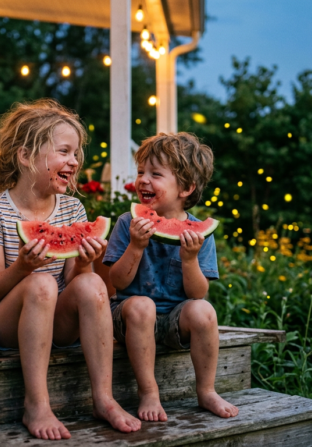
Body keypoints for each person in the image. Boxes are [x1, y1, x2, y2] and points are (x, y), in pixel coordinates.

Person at [0, 99, 141, 440]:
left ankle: (103, 398)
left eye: (76, 153)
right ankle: (36, 404)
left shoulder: (72, 207)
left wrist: (84, 261)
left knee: (91, 283)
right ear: (25, 156)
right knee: (41, 286)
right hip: (3, 323)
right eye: (64, 151)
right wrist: (22, 267)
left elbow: (72, 283)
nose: (75, 161)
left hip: (57, 320)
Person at [104, 132, 240, 422]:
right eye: (141, 172)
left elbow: (197, 292)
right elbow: (117, 281)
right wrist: (136, 246)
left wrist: (189, 259)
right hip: (129, 318)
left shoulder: (198, 232)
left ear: (186, 188)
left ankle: (206, 390)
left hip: (175, 321)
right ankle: (149, 391)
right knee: (142, 305)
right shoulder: (128, 222)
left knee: (204, 311)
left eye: (155, 174)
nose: (143, 180)